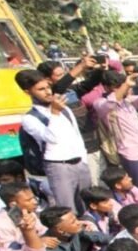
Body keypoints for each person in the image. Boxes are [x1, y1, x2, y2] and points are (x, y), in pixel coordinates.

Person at [14, 70, 92, 213]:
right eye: (41, 89)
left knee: (87, 205)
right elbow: (51, 138)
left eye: (48, 87)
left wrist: (83, 159)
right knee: (68, 211)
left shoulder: (65, 109)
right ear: (27, 92)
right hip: (59, 167)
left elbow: (76, 136)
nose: (48, 92)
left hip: (79, 162)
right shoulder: (30, 118)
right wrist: (54, 114)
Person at [93, 70, 138, 190]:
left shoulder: (128, 101)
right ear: (105, 87)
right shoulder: (100, 103)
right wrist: (126, 85)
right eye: (117, 87)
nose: (123, 89)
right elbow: (110, 104)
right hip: (130, 153)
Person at [39, 206, 110, 251]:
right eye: (73, 222)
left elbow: (101, 237)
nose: (79, 223)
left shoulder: (73, 230)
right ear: (60, 230)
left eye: (76, 219)